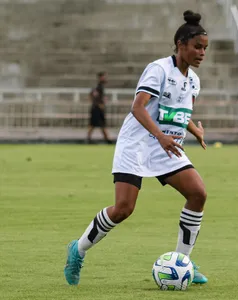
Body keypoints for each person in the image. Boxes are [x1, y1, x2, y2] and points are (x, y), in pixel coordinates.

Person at [65, 10, 209, 286]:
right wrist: (161, 136)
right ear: (181, 45)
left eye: (205, 48)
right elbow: (138, 107)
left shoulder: (193, 80)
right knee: (123, 209)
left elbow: (177, 111)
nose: (202, 53)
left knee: (198, 194)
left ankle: (183, 263)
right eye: (197, 47)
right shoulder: (159, 70)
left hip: (166, 147)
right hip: (138, 144)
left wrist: (194, 130)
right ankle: (78, 250)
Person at [87, 71, 112, 144]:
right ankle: (106, 139)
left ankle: (106, 139)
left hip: (97, 108)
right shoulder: (98, 87)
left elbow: (92, 95)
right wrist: (99, 104)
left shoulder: (100, 87)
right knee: (95, 124)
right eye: (104, 77)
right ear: (100, 77)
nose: (105, 78)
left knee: (100, 124)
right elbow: (93, 96)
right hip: (97, 109)